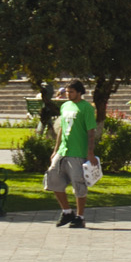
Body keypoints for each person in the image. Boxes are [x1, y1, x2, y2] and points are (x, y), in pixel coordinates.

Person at [44, 79, 99, 228]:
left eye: (71, 92)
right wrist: (55, 150)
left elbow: (91, 131)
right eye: (67, 91)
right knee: (53, 178)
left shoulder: (86, 108)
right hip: (63, 151)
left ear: (79, 92)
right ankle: (67, 211)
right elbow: (61, 128)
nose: (68, 94)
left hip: (78, 152)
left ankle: (80, 217)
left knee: (78, 184)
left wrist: (90, 152)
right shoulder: (65, 106)